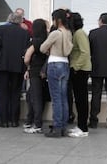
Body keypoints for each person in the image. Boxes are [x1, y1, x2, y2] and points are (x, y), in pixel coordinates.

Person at [0, 12, 30, 128]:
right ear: (20, 21)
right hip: (18, 67)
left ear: (9, 20)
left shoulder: (1, 29)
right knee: (15, 93)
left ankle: (3, 120)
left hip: (2, 65)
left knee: (2, 93)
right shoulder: (25, 33)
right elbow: (25, 50)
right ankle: (14, 120)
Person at [40, 9, 73, 137]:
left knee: (56, 98)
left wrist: (50, 48)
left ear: (58, 20)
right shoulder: (69, 33)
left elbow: (43, 48)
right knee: (64, 97)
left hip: (54, 64)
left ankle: (57, 127)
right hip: (65, 64)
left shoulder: (55, 33)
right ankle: (63, 126)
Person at [67, 12, 92, 137]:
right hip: (80, 69)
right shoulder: (78, 33)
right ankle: (81, 126)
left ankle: (83, 128)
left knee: (81, 99)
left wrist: (76, 67)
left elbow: (85, 52)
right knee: (79, 99)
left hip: (80, 70)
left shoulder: (79, 33)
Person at [23, 19, 48, 134]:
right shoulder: (47, 40)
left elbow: (27, 57)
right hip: (44, 72)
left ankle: (37, 124)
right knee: (33, 96)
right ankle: (30, 120)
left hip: (35, 71)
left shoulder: (35, 42)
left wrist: (28, 66)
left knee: (35, 97)